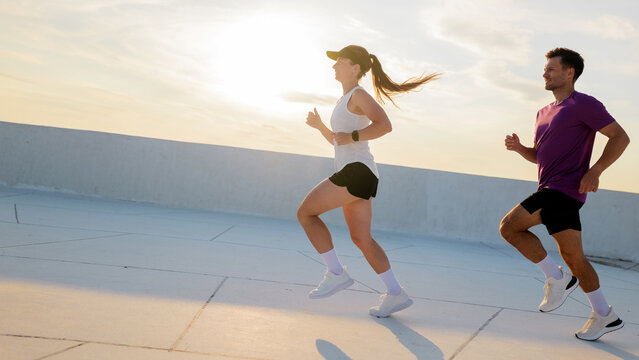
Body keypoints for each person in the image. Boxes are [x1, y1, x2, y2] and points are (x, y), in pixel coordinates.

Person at [297, 45, 439, 317]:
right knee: (362, 238)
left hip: (357, 172)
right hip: (361, 173)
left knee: (306, 213)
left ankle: (336, 272)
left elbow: (384, 125)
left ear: (356, 68)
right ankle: (395, 293)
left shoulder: (359, 94)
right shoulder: (346, 99)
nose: (334, 66)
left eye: (340, 61)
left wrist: (352, 137)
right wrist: (321, 127)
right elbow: (340, 142)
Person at [500, 48, 630, 340]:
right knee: (574, 257)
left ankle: (556, 278)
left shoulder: (584, 104)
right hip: (550, 187)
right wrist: (521, 149)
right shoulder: (543, 112)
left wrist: (595, 170)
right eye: (545, 69)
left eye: (551, 69)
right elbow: (541, 156)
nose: (544, 73)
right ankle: (605, 316)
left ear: (569, 72)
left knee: (509, 227)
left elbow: (621, 137)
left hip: (564, 189)